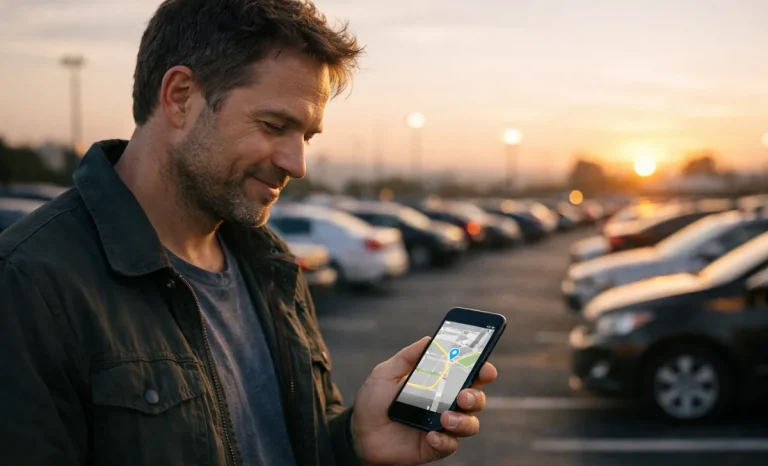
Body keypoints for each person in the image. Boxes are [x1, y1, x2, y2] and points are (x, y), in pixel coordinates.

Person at [0, 0, 498, 464]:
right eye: (273, 124)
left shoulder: (273, 266)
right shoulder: (30, 284)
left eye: (306, 136)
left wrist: (352, 443)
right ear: (179, 98)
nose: (297, 163)